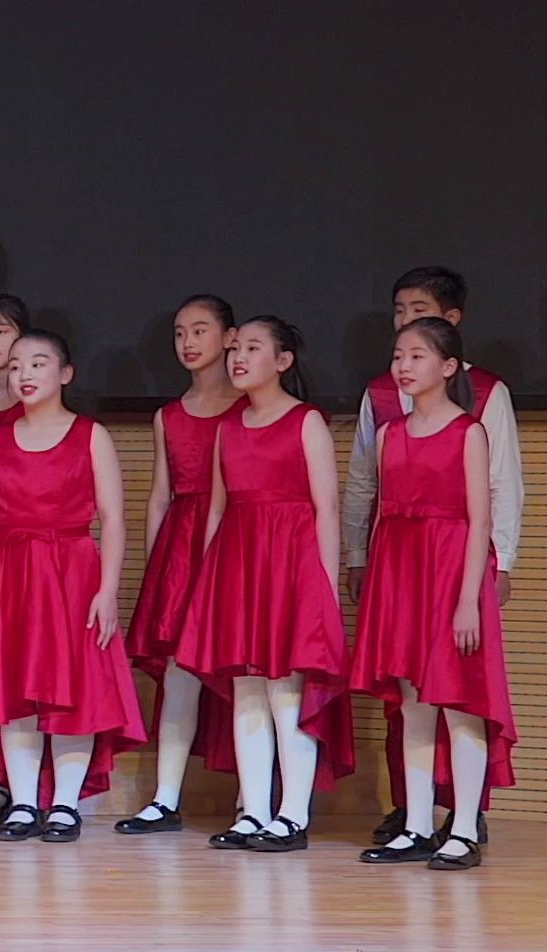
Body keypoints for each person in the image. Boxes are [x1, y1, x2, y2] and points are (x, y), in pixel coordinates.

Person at [0, 330, 139, 844]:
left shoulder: (90, 435)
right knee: (15, 688)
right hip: (9, 572)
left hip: (72, 571)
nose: (24, 375)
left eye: (37, 364)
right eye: (16, 366)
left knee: (71, 685)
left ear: (65, 374)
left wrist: (108, 590)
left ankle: (64, 804)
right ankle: (23, 801)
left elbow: (114, 518)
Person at [349, 318, 513, 871]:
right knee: (413, 704)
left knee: (461, 703)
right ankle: (415, 824)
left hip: (451, 575)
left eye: (417, 356)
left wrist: (469, 598)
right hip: (401, 575)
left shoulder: (469, 432)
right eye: (398, 355)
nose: (403, 366)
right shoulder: (391, 433)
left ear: (448, 367)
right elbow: (383, 515)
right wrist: (376, 585)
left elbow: (478, 520)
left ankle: (463, 828)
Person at [186, 315, 345, 851]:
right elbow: (218, 509)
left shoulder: (306, 423)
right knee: (246, 688)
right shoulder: (227, 428)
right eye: (235, 347)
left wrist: (321, 585)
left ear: (282, 361)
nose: (238, 357)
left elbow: (326, 509)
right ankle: (253, 810)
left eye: (252, 348)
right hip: (239, 564)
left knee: (287, 691)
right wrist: (210, 577)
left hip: (292, 566)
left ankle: (292, 814)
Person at [119, 295, 243, 833]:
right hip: (181, 547)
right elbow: (160, 496)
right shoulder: (168, 415)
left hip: (238, 544)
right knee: (178, 671)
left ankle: (252, 799)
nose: (188, 343)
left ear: (229, 337)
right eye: (179, 333)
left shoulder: (248, 408)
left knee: (243, 670)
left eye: (199, 330)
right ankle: (165, 796)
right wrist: (156, 566)